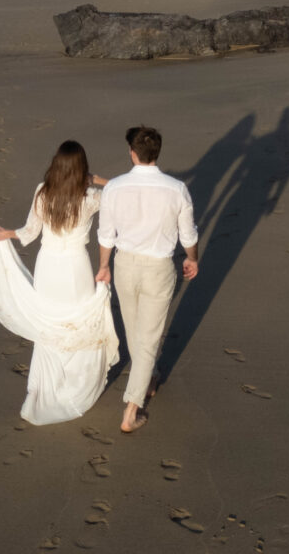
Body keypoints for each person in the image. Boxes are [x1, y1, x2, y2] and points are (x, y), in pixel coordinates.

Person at [0, 141, 119, 424]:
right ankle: (75, 383)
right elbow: (120, 191)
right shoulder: (90, 196)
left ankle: (44, 388)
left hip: (48, 266)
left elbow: (29, 232)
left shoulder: (42, 191)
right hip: (76, 267)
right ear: (81, 169)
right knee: (79, 322)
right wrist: (94, 178)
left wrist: (7, 234)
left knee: (50, 324)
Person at [96, 125, 198, 434]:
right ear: (157, 153)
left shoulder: (115, 187)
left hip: (125, 264)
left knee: (137, 332)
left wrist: (104, 266)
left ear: (132, 152)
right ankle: (132, 409)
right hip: (158, 267)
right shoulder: (176, 188)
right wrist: (193, 258)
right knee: (148, 336)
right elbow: (188, 234)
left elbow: (105, 234)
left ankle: (142, 385)